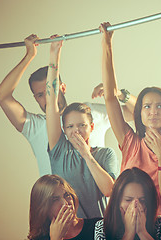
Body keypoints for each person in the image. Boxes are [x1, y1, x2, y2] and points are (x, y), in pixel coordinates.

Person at [0, 34, 135, 176]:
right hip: (56, 197)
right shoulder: (34, 126)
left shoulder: (90, 112)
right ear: (35, 98)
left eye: (50, 90)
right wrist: (29, 55)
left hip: (98, 195)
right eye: (40, 95)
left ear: (63, 88)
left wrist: (119, 94)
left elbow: (138, 113)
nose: (47, 97)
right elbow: (2, 95)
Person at [99, 22, 161, 240]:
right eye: (147, 106)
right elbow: (110, 96)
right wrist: (107, 43)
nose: (153, 111)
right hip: (126, 228)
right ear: (139, 112)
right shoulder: (130, 141)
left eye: (160, 106)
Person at [45, 35, 119, 219]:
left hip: (98, 230)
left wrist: (86, 155)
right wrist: (54, 53)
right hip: (66, 228)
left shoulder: (105, 154)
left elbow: (109, 190)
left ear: (91, 127)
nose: (75, 130)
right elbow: (51, 101)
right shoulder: (59, 150)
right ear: (63, 129)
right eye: (70, 126)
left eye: (81, 125)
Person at [94, 167, 161, 240]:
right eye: (128, 200)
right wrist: (129, 233)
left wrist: (142, 232)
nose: (135, 206)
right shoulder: (103, 227)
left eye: (142, 200)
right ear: (117, 201)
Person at [27, 174, 100, 240]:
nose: (65, 203)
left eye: (67, 195)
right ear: (43, 208)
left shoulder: (99, 227)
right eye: (55, 200)